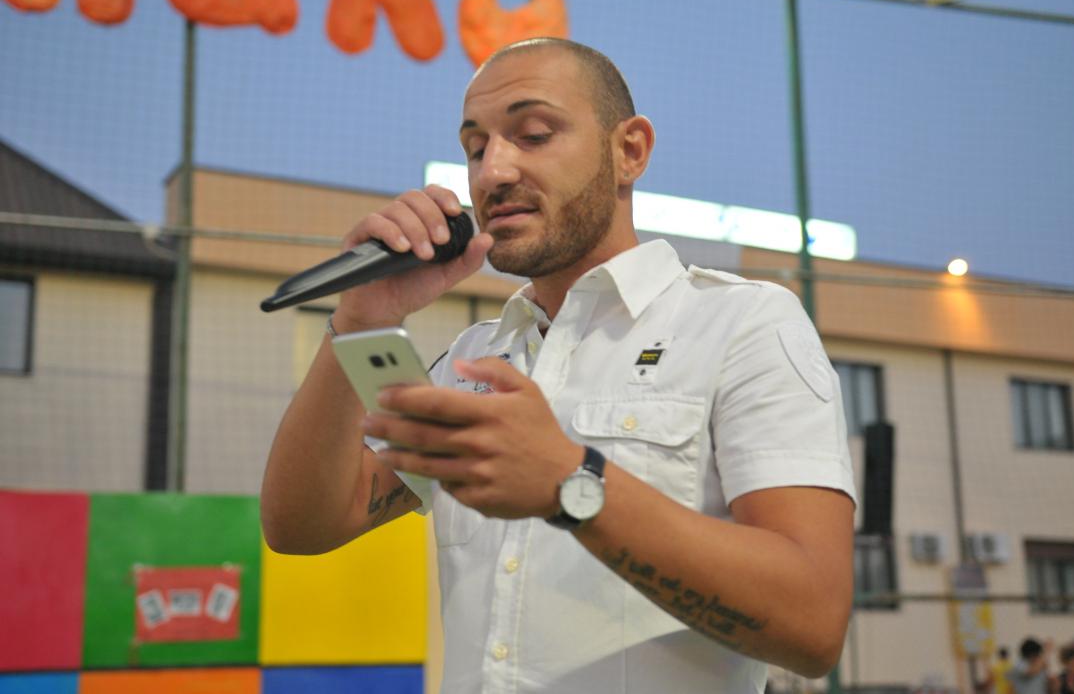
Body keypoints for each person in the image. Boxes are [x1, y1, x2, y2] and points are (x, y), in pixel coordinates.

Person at [261, 37, 856, 694]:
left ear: (630, 151)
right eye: (475, 148)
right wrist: (361, 320)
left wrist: (573, 485)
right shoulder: (469, 359)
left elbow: (814, 624)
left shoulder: (742, 323)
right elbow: (302, 526)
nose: (492, 172)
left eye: (534, 135)